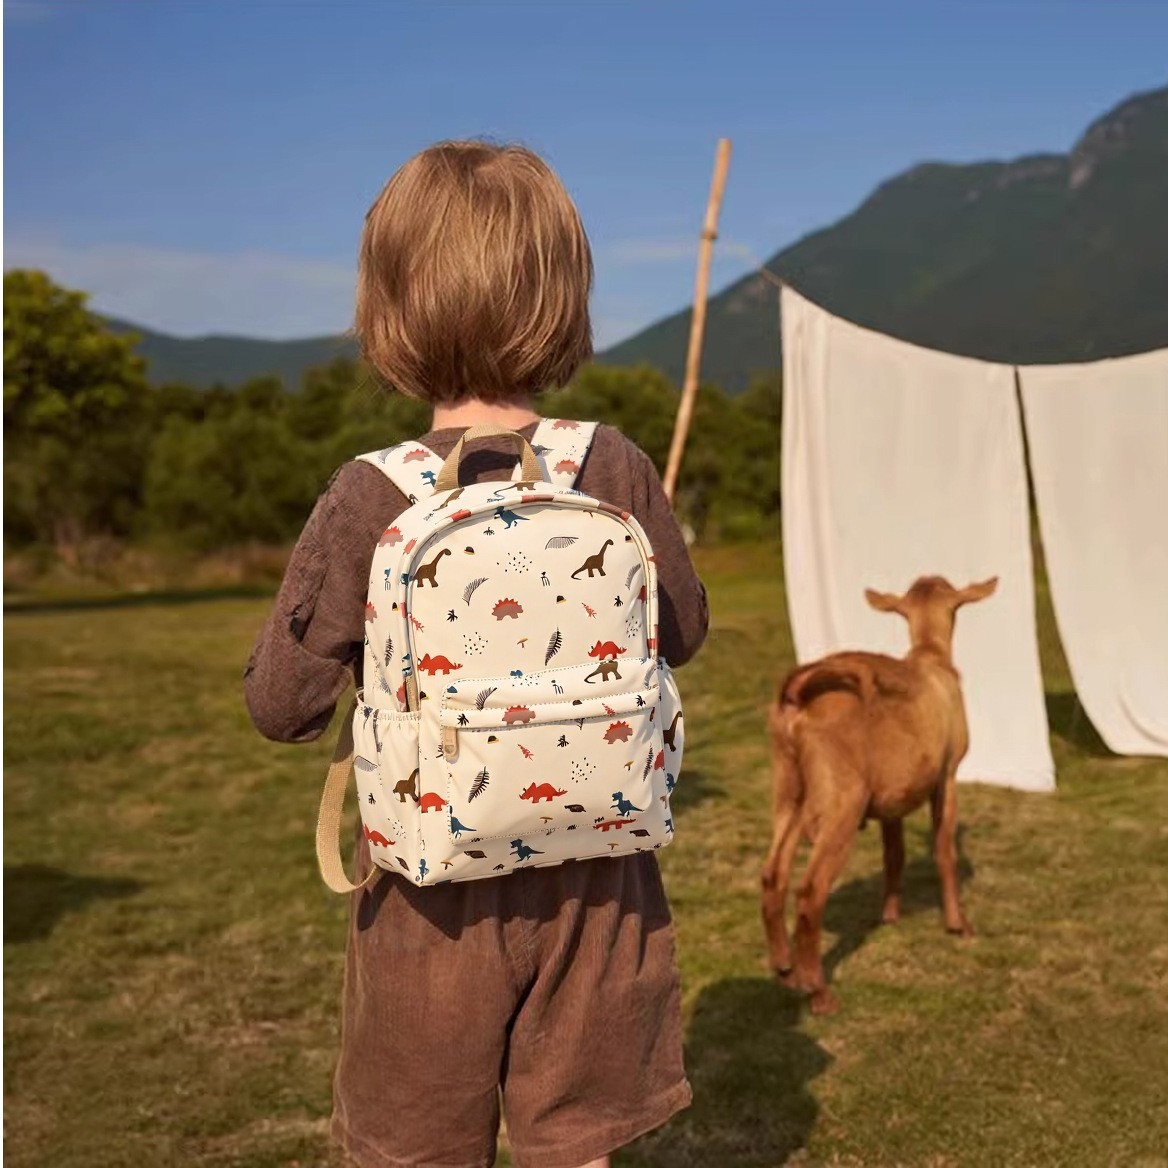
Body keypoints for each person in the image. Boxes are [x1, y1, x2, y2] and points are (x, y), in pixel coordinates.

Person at [245, 140, 708, 1168]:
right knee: (575, 1145)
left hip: (431, 891)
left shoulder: (371, 491)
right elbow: (683, 632)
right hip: (601, 874)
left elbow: (281, 707)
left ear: (389, 307)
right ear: (564, 294)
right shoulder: (612, 465)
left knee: (418, 1146)